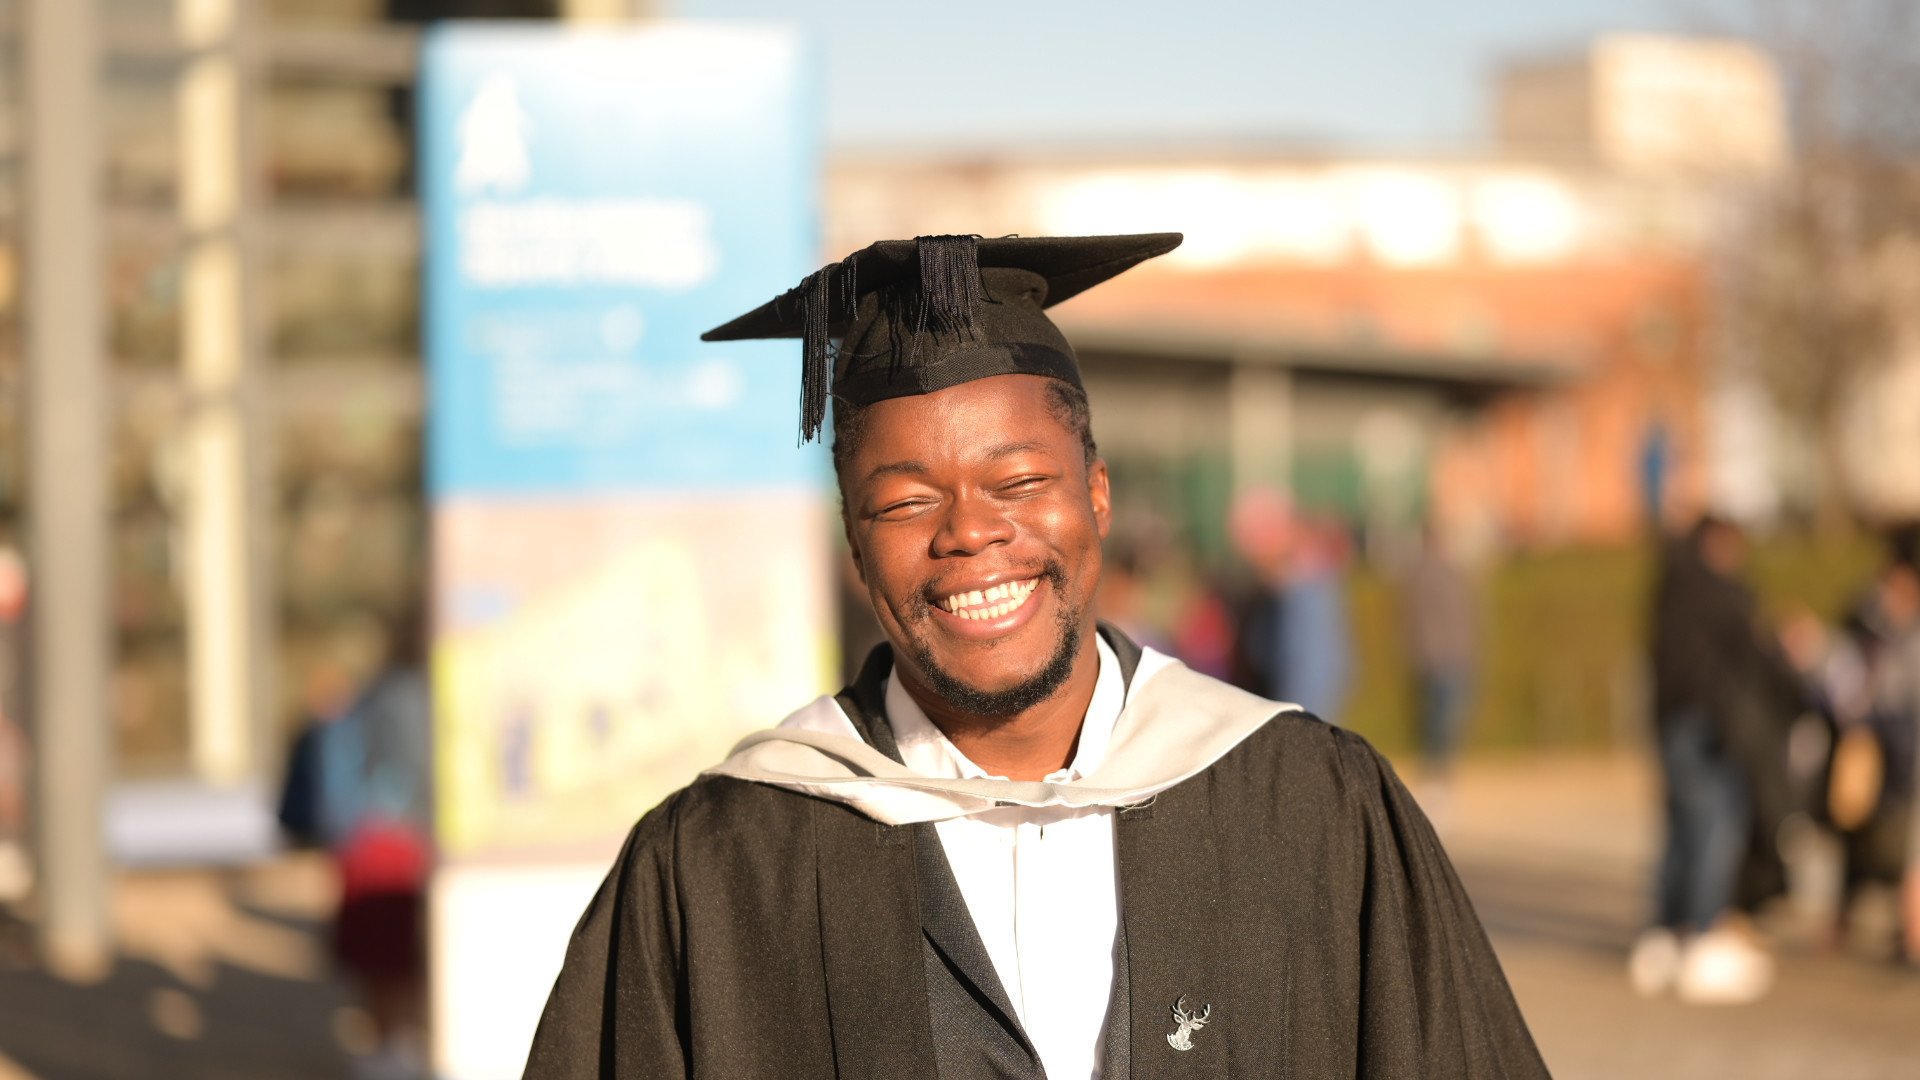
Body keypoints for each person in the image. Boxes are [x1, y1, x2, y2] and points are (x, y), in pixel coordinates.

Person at [524, 234, 1549, 1079]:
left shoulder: (1312, 807)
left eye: (1018, 483)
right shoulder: (717, 867)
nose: (970, 532)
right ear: (853, 545)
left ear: (1096, 498)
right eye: (906, 501)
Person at [1632, 516, 1789, 1004]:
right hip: (1707, 729)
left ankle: (1663, 939)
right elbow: (1740, 649)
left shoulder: (1670, 587)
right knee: (1713, 828)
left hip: (1673, 723)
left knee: (1681, 830)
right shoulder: (1711, 590)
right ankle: (1702, 937)